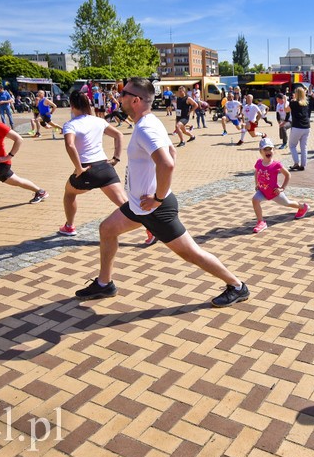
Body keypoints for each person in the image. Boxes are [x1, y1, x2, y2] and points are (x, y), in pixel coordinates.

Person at [74, 77, 250, 307]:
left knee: (191, 254)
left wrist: (157, 198)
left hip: (155, 209)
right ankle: (105, 284)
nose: (119, 96)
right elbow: (172, 153)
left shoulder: (146, 128)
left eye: (123, 93)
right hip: (139, 206)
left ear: (135, 100)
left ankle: (237, 286)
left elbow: (167, 163)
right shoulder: (149, 122)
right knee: (107, 229)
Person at [58, 91, 155, 245]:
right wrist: (116, 158)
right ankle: (151, 227)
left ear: (72, 105)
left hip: (86, 170)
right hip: (104, 168)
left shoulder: (70, 124)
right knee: (126, 204)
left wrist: (78, 168)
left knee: (69, 193)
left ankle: (69, 226)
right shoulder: (98, 121)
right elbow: (119, 135)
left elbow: (70, 145)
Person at [251, 138, 309, 233]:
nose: (268, 151)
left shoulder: (276, 164)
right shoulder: (258, 163)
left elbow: (287, 175)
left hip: (274, 192)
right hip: (262, 191)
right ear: (260, 151)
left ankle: (303, 207)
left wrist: (282, 188)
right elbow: (256, 172)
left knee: (288, 203)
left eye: (270, 149)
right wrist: (256, 183)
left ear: (274, 150)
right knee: (255, 200)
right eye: (265, 149)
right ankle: (261, 222)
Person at [288, 87, 311, 171]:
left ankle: (296, 163)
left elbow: (286, 109)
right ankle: (303, 164)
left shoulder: (293, 103)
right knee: (303, 147)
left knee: (292, 145)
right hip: (306, 126)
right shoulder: (306, 103)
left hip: (297, 126)